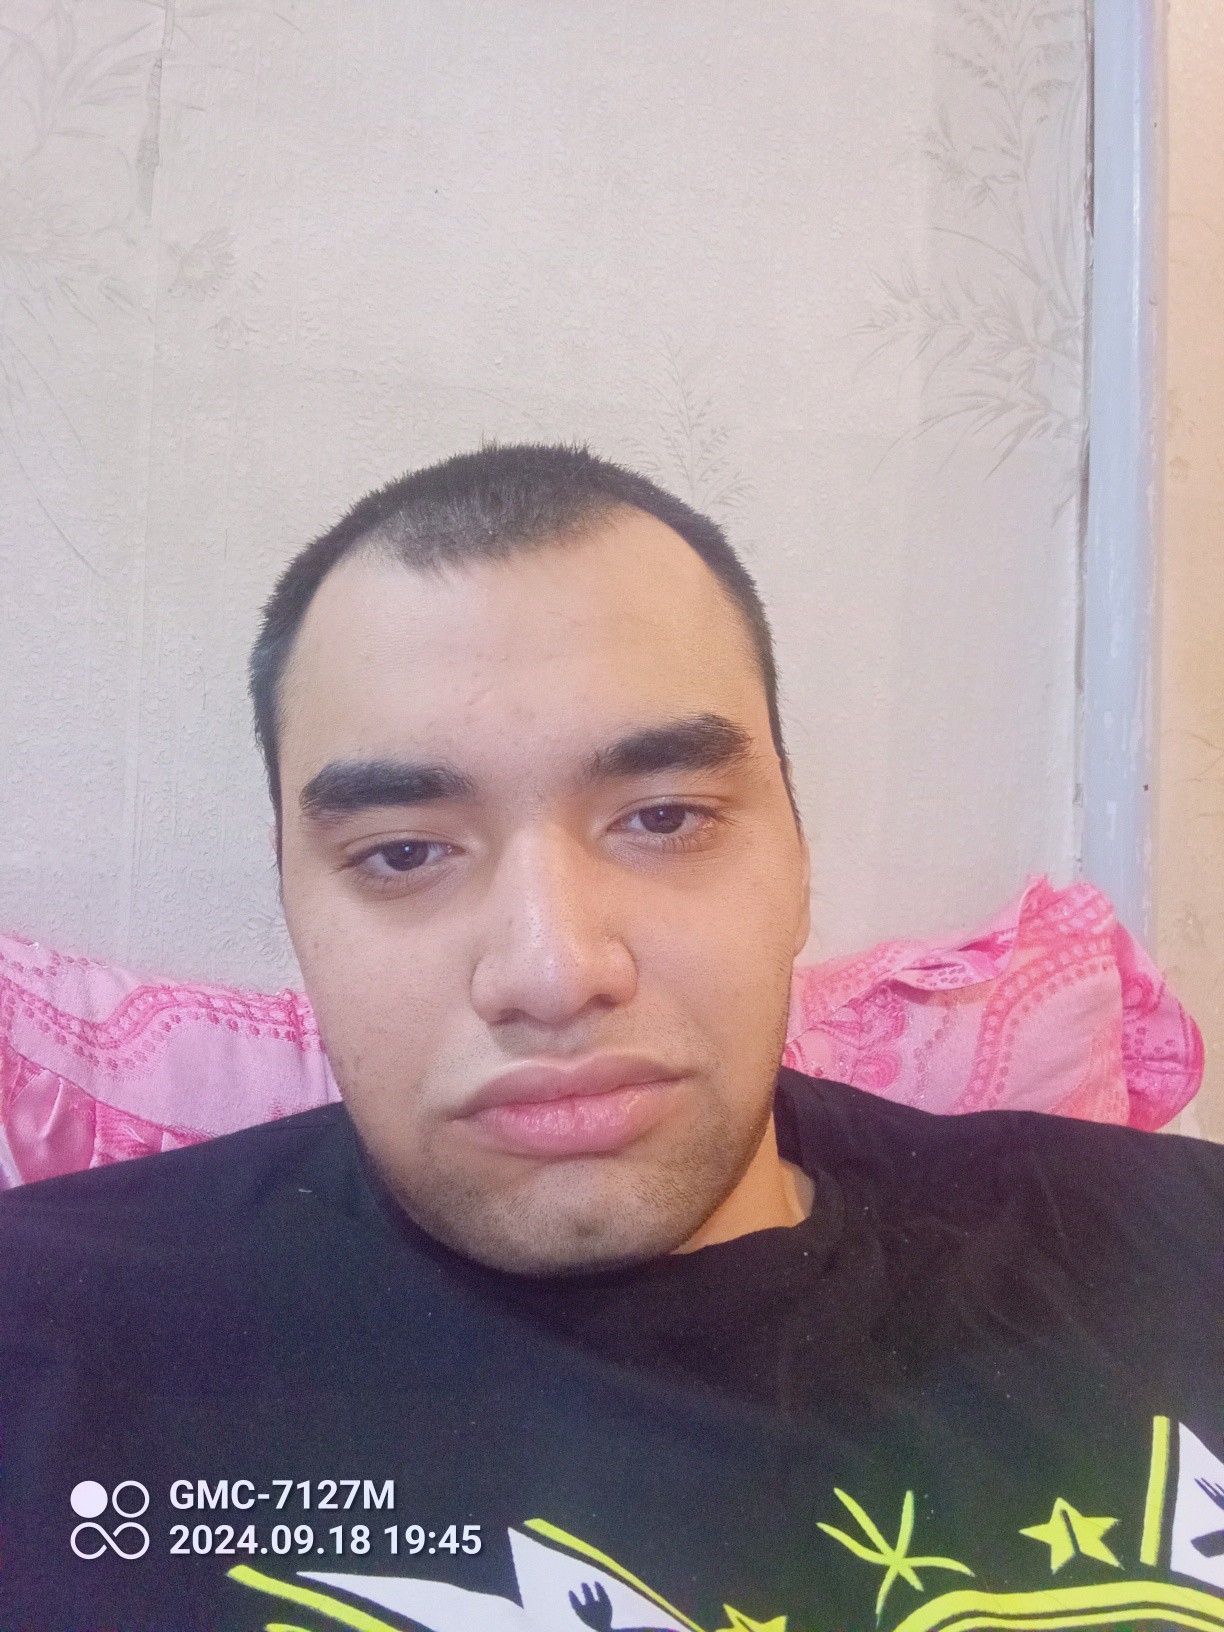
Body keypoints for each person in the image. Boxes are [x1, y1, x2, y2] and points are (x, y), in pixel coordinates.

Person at [0, 443, 1220, 1632]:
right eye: (404, 851)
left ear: (798, 857)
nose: (553, 973)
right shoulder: (46, 1341)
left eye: (665, 817)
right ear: (293, 904)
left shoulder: (1181, 1249)